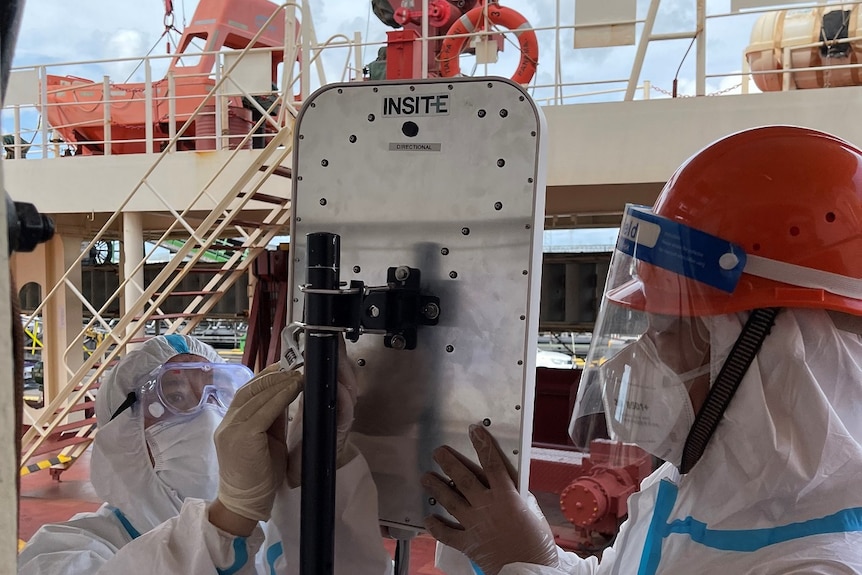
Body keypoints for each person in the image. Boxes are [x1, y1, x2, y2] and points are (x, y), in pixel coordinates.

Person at [421, 125, 862, 574]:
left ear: (783, 355)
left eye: (669, 331)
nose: (638, 357)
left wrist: (521, 563)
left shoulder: (825, 562)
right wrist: (536, 555)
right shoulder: (705, 490)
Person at [18, 333, 394, 574]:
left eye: (218, 396)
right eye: (177, 397)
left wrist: (311, 496)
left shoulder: (270, 532)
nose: (210, 416)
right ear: (124, 435)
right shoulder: (65, 548)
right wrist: (230, 517)